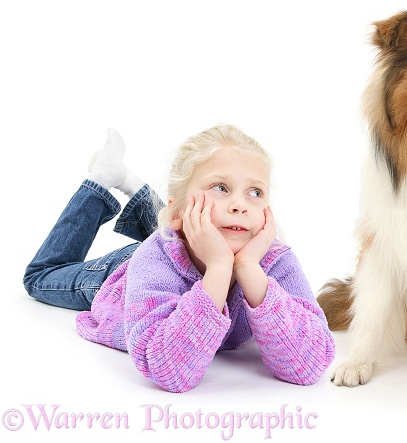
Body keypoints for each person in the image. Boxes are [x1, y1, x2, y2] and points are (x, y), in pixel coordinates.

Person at [24, 126, 335, 393]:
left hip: (181, 235)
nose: (240, 204)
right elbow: (169, 369)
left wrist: (248, 269)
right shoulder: (153, 259)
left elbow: (309, 365)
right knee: (41, 277)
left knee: (190, 223)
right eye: (221, 187)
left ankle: (131, 183)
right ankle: (101, 179)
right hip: (124, 275)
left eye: (255, 192)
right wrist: (219, 268)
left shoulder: (275, 260)